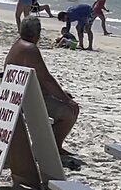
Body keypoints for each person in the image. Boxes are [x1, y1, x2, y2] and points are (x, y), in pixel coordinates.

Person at [5, 17, 79, 157]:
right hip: (26, 100)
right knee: (70, 111)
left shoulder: (18, 45)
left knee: (64, 98)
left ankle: (52, 146)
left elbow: (40, 79)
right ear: (37, 33)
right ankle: (53, 148)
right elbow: (46, 79)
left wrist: (60, 95)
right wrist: (65, 99)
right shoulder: (30, 49)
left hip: (17, 94)